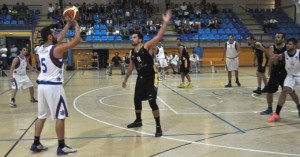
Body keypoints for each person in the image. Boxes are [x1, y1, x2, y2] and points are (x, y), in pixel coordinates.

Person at [30, 17, 80, 155]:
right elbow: (76, 41)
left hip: (42, 87)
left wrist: (67, 25)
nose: (56, 34)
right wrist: (75, 25)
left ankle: (36, 143)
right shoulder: (56, 50)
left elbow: (58, 37)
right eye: (53, 33)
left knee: (41, 116)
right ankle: (61, 146)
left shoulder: (40, 49)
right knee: (60, 116)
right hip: (53, 87)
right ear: (50, 36)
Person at [122, 10, 172, 137]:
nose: (132, 39)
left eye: (134, 37)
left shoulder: (146, 47)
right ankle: (138, 120)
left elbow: (158, 37)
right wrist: (125, 79)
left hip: (152, 76)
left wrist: (165, 23)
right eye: (132, 37)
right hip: (141, 77)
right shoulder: (132, 52)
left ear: (140, 39)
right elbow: (131, 66)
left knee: (151, 101)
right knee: (136, 99)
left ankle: (158, 126)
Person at [260, 33, 300, 115]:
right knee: (269, 91)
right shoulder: (272, 47)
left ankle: (298, 106)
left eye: (278, 37)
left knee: (291, 92)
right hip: (275, 72)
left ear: (283, 39)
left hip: (286, 73)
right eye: (276, 37)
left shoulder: (288, 47)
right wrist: (269, 70)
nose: (276, 38)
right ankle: (269, 108)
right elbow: (272, 60)